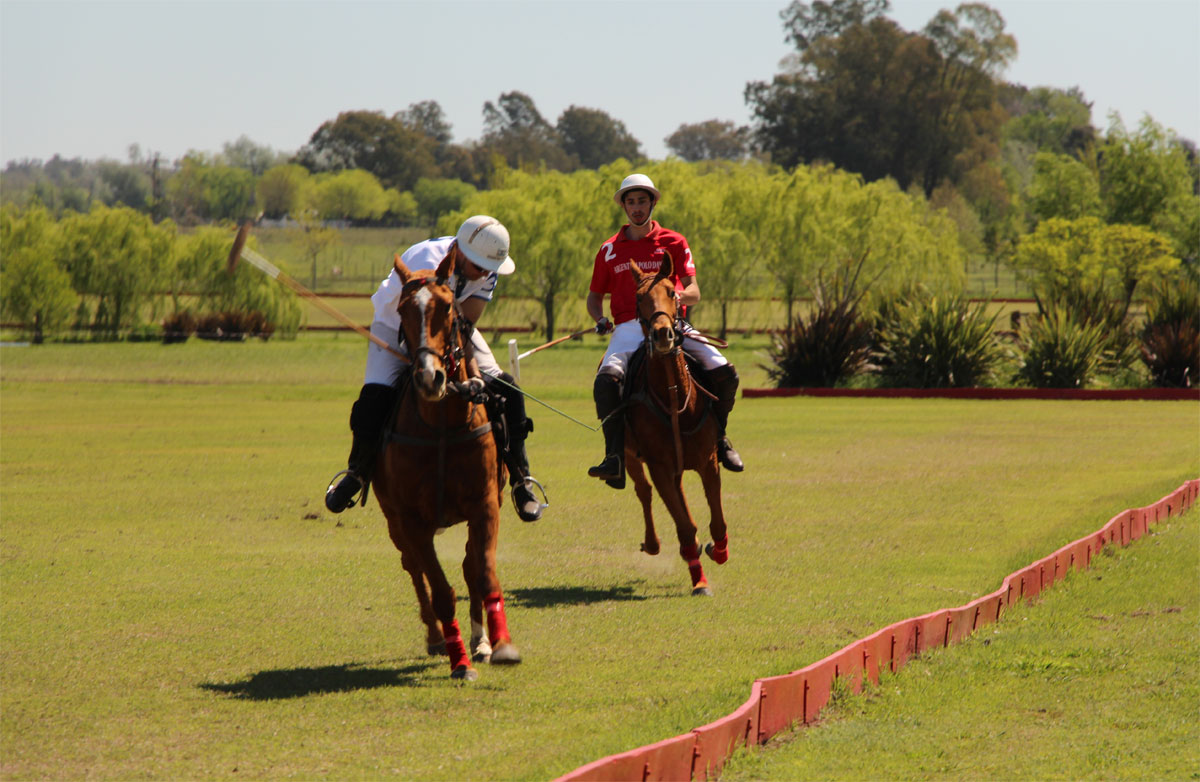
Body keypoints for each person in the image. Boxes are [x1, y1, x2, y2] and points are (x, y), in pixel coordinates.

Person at [324, 215, 545, 522]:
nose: (485, 274)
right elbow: (418, 316)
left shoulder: (488, 270)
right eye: (479, 266)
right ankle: (357, 472)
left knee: (507, 388)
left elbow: (465, 324)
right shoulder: (426, 260)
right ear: (462, 252)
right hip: (397, 323)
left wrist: (476, 376)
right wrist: (423, 356)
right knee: (375, 395)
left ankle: (522, 480)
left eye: (489, 269)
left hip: (450, 326)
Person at [585, 174, 744, 489]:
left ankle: (720, 438)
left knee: (724, 371)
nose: (636, 208)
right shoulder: (609, 250)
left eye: (642, 201)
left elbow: (694, 291)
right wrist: (599, 318)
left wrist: (669, 299)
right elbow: (594, 296)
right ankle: (614, 456)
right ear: (624, 206)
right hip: (630, 327)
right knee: (606, 381)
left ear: (652, 202)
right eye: (630, 202)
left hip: (673, 323)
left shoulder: (674, 241)